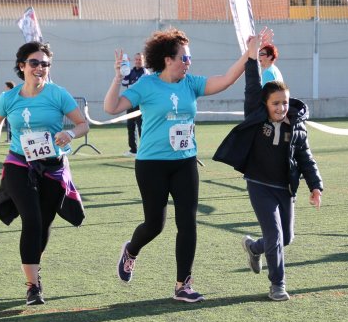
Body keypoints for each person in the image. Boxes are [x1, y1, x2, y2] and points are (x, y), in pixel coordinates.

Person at [103, 27, 272, 303]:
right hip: (151, 165)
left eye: (189, 58)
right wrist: (117, 78)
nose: (188, 62)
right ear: (168, 59)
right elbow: (112, 107)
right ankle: (131, 251)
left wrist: (248, 55)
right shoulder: (146, 85)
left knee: (188, 223)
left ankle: (183, 285)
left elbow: (226, 80)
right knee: (155, 225)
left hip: (185, 163)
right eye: (184, 58)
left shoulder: (190, 83)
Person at [212, 34, 323, 301]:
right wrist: (251, 55)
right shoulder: (256, 114)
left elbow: (305, 156)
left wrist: (316, 185)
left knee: (285, 238)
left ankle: (253, 247)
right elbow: (252, 85)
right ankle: (278, 285)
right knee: (274, 234)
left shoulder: (296, 125)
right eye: (275, 103)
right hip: (259, 185)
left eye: (284, 102)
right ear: (265, 105)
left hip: (285, 188)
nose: (281, 108)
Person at [0, 41, 89, 306]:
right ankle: (32, 285)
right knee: (31, 219)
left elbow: (82, 124)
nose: (40, 68)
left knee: (43, 224)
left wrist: (70, 133)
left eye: (45, 64)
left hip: (52, 168)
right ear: (22, 66)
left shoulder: (58, 94)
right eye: (34, 62)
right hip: (20, 165)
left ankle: (34, 266)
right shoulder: (9, 98)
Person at [121, 52, 150, 157]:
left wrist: (132, 84)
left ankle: (145, 149)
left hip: (141, 104)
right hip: (130, 103)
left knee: (142, 126)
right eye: (136, 59)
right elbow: (124, 83)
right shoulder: (131, 71)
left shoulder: (145, 72)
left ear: (143, 60)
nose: (138, 61)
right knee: (130, 126)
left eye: (140, 59)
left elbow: (141, 86)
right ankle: (133, 149)